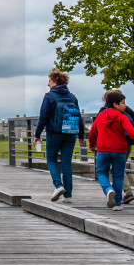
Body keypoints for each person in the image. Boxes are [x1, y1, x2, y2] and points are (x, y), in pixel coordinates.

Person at [88, 91, 134, 209]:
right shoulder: (122, 117)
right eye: (123, 103)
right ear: (115, 104)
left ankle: (108, 190)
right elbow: (133, 133)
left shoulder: (100, 116)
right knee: (118, 175)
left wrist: (92, 145)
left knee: (101, 173)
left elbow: (93, 132)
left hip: (103, 150)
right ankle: (118, 204)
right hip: (119, 150)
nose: (125, 105)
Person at [33, 69, 86, 203]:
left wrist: (37, 135)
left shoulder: (49, 96)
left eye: (49, 81)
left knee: (51, 159)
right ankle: (68, 195)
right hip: (71, 133)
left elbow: (43, 117)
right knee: (66, 162)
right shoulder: (72, 97)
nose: (48, 84)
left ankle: (58, 185)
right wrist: (81, 135)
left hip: (54, 133)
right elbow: (79, 117)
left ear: (55, 82)